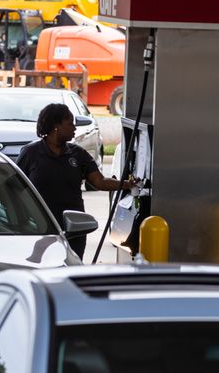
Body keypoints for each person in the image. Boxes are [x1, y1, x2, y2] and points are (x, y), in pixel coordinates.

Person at [16, 103, 138, 259]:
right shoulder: (31, 153)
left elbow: (99, 182)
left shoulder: (77, 154)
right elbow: (15, 187)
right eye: (70, 123)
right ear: (56, 126)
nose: (74, 127)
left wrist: (127, 184)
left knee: (72, 267)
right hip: (40, 227)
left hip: (74, 227)